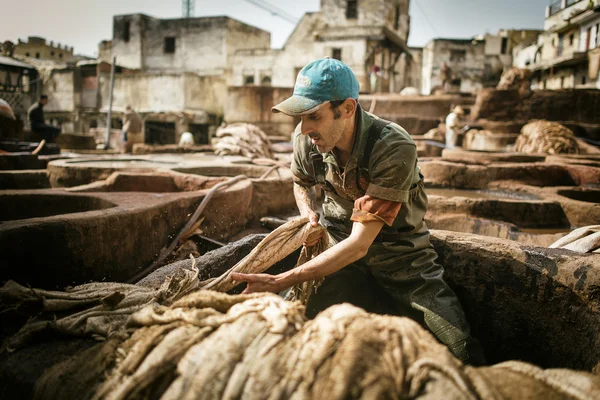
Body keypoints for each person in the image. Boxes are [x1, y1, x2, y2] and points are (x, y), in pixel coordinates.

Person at [231, 58, 485, 365]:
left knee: (459, 348)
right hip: (337, 246)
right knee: (296, 332)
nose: (305, 128)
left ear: (348, 109)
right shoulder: (309, 141)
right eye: (300, 117)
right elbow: (301, 184)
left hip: (402, 255)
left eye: (314, 115)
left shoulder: (393, 146)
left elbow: (360, 244)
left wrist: (280, 280)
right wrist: (308, 215)